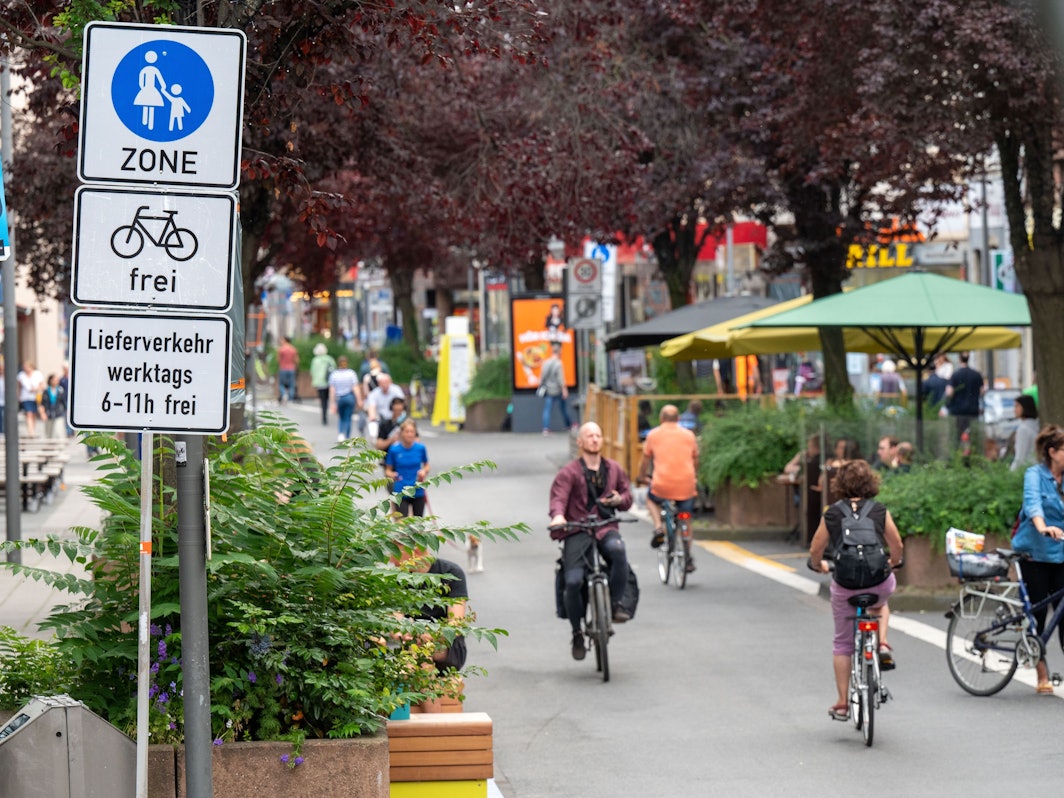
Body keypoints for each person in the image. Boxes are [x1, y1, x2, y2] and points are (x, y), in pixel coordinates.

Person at [808, 459, 904, 721]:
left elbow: (816, 548)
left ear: (840, 484)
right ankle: (881, 642)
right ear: (871, 482)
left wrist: (818, 565)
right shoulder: (879, 510)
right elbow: (896, 544)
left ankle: (842, 703)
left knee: (842, 643)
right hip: (877, 580)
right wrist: (893, 562)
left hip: (846, 583)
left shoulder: (832, 513)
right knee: (881, 602)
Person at [549, 422, 633, 660]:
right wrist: (558, 516)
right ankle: (577, 632)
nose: (595, 439)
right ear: (580, 442)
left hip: (605, 526)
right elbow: (558, 499)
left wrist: (619, 499)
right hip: (578, 529)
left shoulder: (614, 469)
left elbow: (627, 496)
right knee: (573, 581)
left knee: (618, 551)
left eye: (598, 435)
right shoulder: (568, 473)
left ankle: (614, 604)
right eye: (589, 435)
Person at [1012, 424, 1064, 694]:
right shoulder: (1035, 475)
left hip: (1061, 553)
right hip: (1035, 553)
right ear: (1052, 452)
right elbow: (1033, 503)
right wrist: (1043, 527)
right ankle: (1041, 673)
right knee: (1038, 613)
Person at [391, 545, 468, 712]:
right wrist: (400, 631)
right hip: (413, 645)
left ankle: (427, 721)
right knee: (420, 658)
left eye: (395, 552)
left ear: (416, 550)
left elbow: (456, 624)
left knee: (419, 656)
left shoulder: (450, 573)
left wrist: (428, 636)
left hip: (447, 646)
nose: (391, 558)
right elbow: (396, 619)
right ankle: (432, 722)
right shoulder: (399, 578)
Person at [638, 405, 698, 572]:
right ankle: (687, 556)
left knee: (651, 499)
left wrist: (641, 477)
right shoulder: (689, 435)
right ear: (678, 419)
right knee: (685, 517)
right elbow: (696, 459)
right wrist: (694, 477)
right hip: (686, 485)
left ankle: (658, 527)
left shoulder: (653, 435)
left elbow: (645, 460)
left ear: (661, 419)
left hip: (662, 485)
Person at [385, 420, 430, 517]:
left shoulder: (420, 448)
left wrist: (423, 471)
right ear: (401, 433)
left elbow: (427, 465)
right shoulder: (394, 449)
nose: (409, 434)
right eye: (407, 431)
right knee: (403, 522)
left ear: (415, 433)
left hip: (417, 489)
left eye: (412, 432)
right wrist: (393, 475)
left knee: (418, 522)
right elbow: (388, 470)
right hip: (401, 490)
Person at [945, 351, 985, 439]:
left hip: (958, 412)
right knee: (973, 436)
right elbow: (982, 391)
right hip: (973, 410)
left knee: (958, 436)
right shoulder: (977, 375)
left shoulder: (955, 375)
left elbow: (949, 392)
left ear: (959, 359)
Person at [538, 342, 573, 435]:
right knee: (563, 409)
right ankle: (568, 425)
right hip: (558, 390)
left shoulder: (546, 363)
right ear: (559, 352)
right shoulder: (558, 363)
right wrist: (564, 389)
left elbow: (542, 377)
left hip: (548, 390)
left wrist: (541, 386)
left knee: (547, 409)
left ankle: (545, 428)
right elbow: (560, 378)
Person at [327, 355, 360, 442]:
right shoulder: (351, 373)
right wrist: (359, 400)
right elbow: (355, 387)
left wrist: (332, 402)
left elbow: (332, 390)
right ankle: (347, 436)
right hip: (349, 397)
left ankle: (341, 433)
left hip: (339, 398)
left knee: (341, 417)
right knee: (348, 417)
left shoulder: (334, 374)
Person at [365, 373, 406, 440]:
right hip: (381, 418)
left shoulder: (396, 390)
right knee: (372, 424)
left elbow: (401, 404)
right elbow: (371, 406)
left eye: (386, 382)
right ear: (379, 384)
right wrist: (372, 417)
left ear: (390, 382)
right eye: (382, 383)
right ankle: (374, 439)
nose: (384, 385)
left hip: (395, 416)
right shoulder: (374, 393)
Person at [1010, 394, 1039, 472]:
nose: (1014, 410)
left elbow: (1020, 457)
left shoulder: (1023, 429)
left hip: (1027, 470)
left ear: (1025, 407)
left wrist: (1010, 474)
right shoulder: (1036, 425)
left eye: (1017, 406)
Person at [309, 343, 336, 426]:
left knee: (323, 400)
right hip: (329, 382)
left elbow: (312, 371)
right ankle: (326, 414)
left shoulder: (315, 360)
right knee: (327, 399)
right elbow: (334, 369)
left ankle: (324, 416)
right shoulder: (329, 359)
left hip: (319, 383)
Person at [16, 360, 44, 438]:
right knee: (29, 413)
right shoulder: (21, 375)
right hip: (25, 397)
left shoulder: (37, 374)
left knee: (34, 414)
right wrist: (18, 396)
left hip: (36, 396)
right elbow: (19, 387)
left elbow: (42, 385)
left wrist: (35, 389)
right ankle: (30, 431)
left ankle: (33, 429)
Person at [39, 374, 68, 439]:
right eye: (54, 380)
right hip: (49, 414)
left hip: (58, 413)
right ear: (50, 381)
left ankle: (60, 443)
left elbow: (64, 402)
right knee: (49, 432)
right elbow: (42, 404)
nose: (56, 382)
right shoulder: (46, 391)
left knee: (59, 431)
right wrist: (43, 413)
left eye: (57, 380)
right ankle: (49, 444)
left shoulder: (60, 390)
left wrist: (66, 412)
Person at [276, 336, 299, 403]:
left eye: (282, 340)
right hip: (292, 368)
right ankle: (290, 398)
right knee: (292, 384)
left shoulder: (281, 349)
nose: (281, 341)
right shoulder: (293, 349)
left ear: (285, 340)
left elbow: (278, 359)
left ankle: (284, 394)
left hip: (283, 368)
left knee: (281, 384)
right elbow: (296, 360)